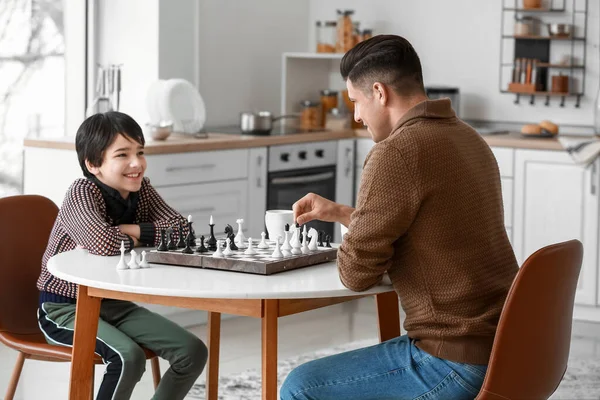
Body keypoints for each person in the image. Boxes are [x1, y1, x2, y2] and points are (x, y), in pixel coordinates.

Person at [281, 35, 519, 400]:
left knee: (300, 387)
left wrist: (358, 229)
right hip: (505, 348)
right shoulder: (468, 137)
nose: (357, 116)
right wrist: (344, 213)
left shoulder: (394, 153)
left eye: (355, 102)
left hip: (451, 363)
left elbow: (356, 275)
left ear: (379, 92)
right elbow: (431, 226)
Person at [36, 112, 207, 400]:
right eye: (122, 154)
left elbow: (182, 231)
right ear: (93, 164)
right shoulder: (82, 193)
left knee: (192, 351)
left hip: (114, 304)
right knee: (128, 357)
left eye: (140, 152)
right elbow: (102, 242)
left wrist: (126, 228)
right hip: (64, 308)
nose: (136, 163)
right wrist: (139, 234)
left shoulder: (141, 190)